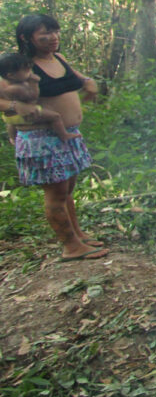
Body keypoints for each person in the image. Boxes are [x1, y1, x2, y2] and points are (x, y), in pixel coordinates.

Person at [14, 14, 106, 261]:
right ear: (26, 37)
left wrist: (88, 82)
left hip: (68, 136)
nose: (53, 37)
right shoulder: (23, 67)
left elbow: (78, 78)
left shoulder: (58, 58)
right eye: (45, 33)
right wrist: (17, 108)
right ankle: (70, 246)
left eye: (55, 31)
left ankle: (78, 236)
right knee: (55, 194)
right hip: (43, 139)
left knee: (67, 191)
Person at [0, 53, 80, 143]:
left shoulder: (5, 84)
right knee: (55, 117)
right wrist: (34, 83)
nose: (30, 72)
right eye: (26, 70)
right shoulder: (16, 88)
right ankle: (63, 135)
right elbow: (33, 96)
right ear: (11, 75)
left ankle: (12, 138)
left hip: (11, 117)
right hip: (29, 114)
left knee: (11, 123)